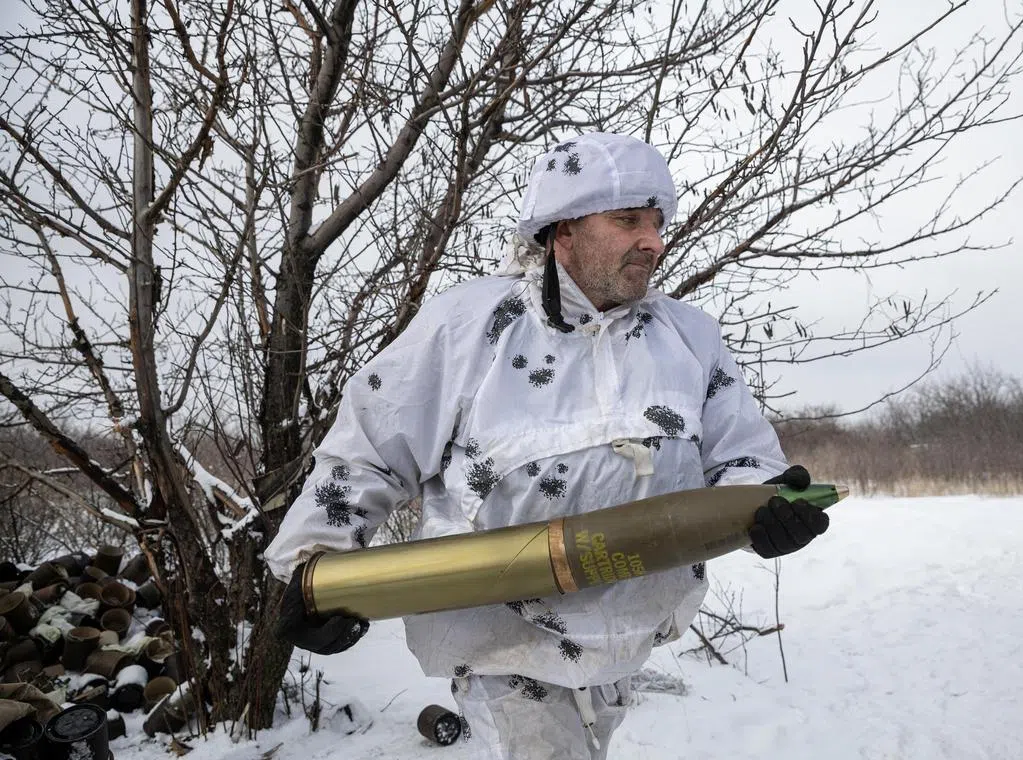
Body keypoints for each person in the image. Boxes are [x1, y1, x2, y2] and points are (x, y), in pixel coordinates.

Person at [264, 133, 830, 759]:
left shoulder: (689, 339)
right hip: (502, 639)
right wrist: (312, 569)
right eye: (627, 220)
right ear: (562, 230)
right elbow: (370, 447)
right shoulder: (467, 328)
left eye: (656, 222)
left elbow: (741, 455)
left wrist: (767, 509)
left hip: (625, 635)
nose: (653, 241)